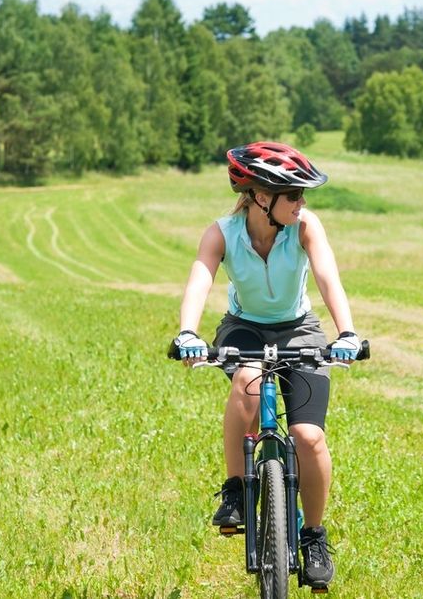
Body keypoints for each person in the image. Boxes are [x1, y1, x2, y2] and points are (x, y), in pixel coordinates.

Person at [168, 141, 361, 590]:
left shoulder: (306, 226)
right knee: (248, 380)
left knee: (308, 436)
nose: (301, 203)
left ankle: (312, 535)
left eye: (302, 195)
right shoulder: (221, 232)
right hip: (244, 329)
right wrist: (188, 333)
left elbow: (329, 277)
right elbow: (201, 277)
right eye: (293, 194)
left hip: (300, 330)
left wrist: (347, 332)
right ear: (260, 196)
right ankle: (236, 489)